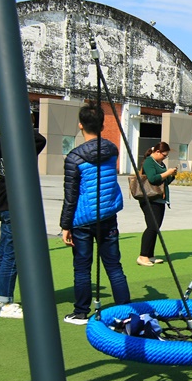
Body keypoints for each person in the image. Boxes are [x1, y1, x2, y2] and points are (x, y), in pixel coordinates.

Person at [60, 101, 131, 325]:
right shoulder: (112, 150)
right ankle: (125, 311)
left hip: (82, 219)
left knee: (82, 267)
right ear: (102, 125)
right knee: (113, 265)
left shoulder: (73, 158)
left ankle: (81, 312)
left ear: (80, 125)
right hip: (107, 215)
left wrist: (65, 225)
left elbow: (70, 196)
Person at [0, 130, 47, 320]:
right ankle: (6, 302)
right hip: (14, 203)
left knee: (4, 251)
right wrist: (18, 127)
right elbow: (40, 139)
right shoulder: (20, 148)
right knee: (12, 254)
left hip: (4, 201)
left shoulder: (1, 145)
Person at [136, 141, 177, 266]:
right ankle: (143, 256)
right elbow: (153, 179)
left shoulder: (161, 163)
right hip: (149, 199)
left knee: (156, 227)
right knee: (152, 226)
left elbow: (164, 181)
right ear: (157, 152)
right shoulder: (149, 161)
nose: (165, 157)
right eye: (164, 155)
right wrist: (167, 173)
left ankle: (150, 255)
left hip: (159, 198)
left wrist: (171, 175)